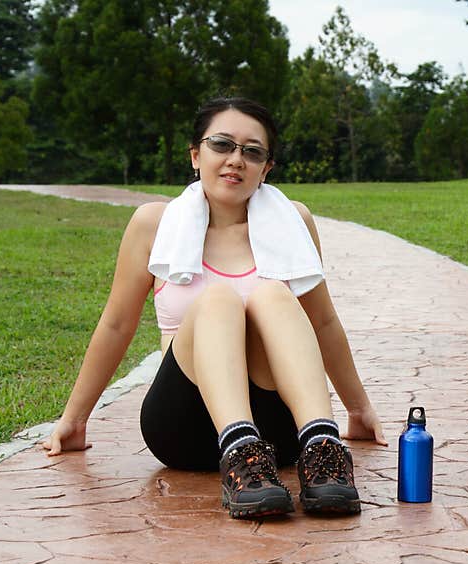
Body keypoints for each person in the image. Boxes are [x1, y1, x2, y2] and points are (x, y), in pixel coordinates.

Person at [42, 96, 387, 520]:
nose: (235, 160)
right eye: (222, 145)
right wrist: (74, 419)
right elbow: (117, 324)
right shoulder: (155, 223)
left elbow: (323, 320)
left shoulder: (294, 222)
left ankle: (323, 448)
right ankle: (240, 454)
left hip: (276, 432)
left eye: (252, 151)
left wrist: (359, 409)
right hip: (184, 423)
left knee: (273, 295)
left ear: (267, 168)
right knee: (218, 300)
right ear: (195, 155)